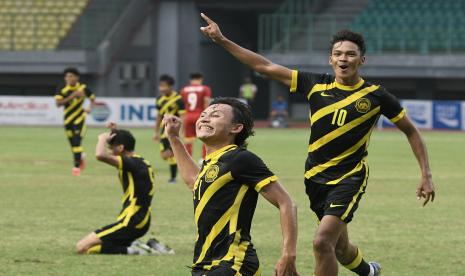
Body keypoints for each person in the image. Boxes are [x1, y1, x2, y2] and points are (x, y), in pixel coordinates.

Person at [200, 13, 435, 276]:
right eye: (338, 54)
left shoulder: (376, 96)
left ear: (361, 60)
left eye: (350, 54)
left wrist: (425, 174)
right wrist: (221, 40)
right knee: (340, 246)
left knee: (322, 242)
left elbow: (411, 131)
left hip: (349, 177)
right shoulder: (314, 84)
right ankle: (369, 271)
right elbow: (264, 66)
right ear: (330, 59)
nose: (343, 59)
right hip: (315, 177)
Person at [163, 97, 299, 276]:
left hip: (234, 263)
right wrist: (174, 138)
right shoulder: (212, 162)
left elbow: (286, 203)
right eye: (203, 115)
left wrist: (288, 254)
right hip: (206, 264)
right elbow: (193, 180)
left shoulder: (240, 158)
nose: (204, 118)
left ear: (235, 128)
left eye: (215, 115)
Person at [76, 123, 157, 255]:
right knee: (92, 248)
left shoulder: (132, 163)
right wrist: (115, 131)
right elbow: (116, 151)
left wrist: (102, 138)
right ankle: (134, 247)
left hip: (131, 222)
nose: (109, 151)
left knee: (81, 247)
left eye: (111, 148)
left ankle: (139, 250)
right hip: (138, 221)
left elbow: (100, 155)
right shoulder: (139, 162)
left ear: (121, 148)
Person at [54, 67, 95, 176]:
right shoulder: (62, 88)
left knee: (77, 142)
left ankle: (76, 168)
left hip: (80, 120)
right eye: (67, 76)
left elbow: (92, 98)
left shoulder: (83, 88)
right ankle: (80, 156)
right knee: (73, 145)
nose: (68, 78)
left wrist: (90, 108)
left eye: (71, 76)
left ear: (77, 77)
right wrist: (72, 96)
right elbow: (58, 104)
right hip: (67, 120)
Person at [153, 74, 186, 183]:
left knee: (172, 154)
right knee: (164, 155)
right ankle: (177, 167)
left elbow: (183, 117)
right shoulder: (159, 99)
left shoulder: (179, 100)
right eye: (160, 86)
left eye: (164, 86)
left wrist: (181, 132)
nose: (161, 88)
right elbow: (159, 116)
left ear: (171, 86)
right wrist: (156, 132)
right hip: (163, 130)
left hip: (173, 129)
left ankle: (173, 178)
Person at [180, 72, 212, 159]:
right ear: (201, 79)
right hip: (200, 116)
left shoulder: (184, 90)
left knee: (188, 141)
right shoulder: (205, 89)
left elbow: (182, 105)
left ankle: (188, 160)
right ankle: (203, 159)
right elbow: (206, 103)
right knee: (206, 138)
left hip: (188, 116)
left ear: (190, 80)